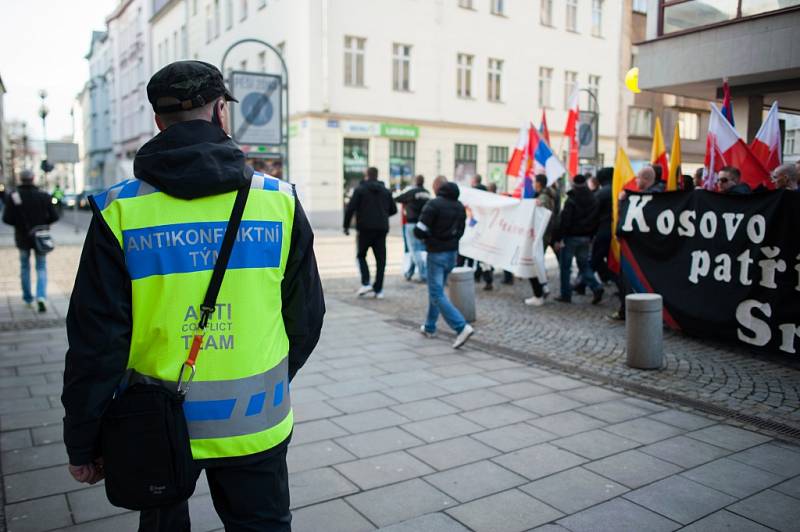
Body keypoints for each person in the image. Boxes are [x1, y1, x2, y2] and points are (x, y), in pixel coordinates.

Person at [61, 60, 325, 531]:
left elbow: (95, 341)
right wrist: (273, 377)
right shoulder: (278, 200)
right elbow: (305, 317)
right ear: (221, 111)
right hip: (255, 421)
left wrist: (83, 440)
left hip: (153, 422)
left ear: (158, 121)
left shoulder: (120, 210)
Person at [415, 176, 474, 349]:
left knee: (436, 293)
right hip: (451, 254)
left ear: (437, 188)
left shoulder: (433, 205)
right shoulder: (459, 207)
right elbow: (461, 231)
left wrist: (430, 238)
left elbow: (420, 230)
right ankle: (430, 326)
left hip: (436, 253)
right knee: (437, 291)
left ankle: (461, 327)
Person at [609, 165, 663, 320]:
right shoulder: (654, 194)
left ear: (646, 180)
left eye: (638, 178)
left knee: (631, 279)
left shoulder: (647, 199)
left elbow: (629, 220)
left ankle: (631, 312)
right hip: (641, 247)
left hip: (638, 248)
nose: (636, 181)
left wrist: (622, 203)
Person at [3, 169, 59, 312]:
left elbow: (6, 219)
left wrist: (20, 224)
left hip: (22, 237)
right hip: (41, 237)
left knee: (24, 267)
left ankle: (28, 298)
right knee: (41, 267)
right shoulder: (43, 195)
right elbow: (54, 216)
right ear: (33, 178)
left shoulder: (14, 196)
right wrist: (43, 224)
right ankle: (41, 296)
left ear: (21, 179)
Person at [344, 166, 397, 299]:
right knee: (381, 260)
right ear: (377, 175)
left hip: (365, 228)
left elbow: (350, 208)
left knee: (361, 255)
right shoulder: (385, 191)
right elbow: (394, 209)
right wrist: (383, 215)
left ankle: (366, 282)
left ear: (366, 175)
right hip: (381, 229)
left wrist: (346, 226)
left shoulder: (360, 190)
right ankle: (379, 289)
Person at [552, 174, 603, 304]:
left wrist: (559, 238)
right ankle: (596, 287)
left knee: (565, 267)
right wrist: (591, 235)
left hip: (571, 238)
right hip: (586, 237)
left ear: (574, 184)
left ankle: (566, 294)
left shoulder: (571, 199)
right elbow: (597, 220)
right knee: (584, 265)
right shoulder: (593, 198)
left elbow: (565, 221)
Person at [525, 174, 556, 306]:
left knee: (533, 263)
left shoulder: (543, 197)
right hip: (543, 235)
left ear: (538, 183)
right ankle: (543, 288)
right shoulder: (547, 194)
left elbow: (541, 208)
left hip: (540, 236)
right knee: (537, 262)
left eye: (534, 182)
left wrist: (536, 204)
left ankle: (538, 295)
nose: (532, 184)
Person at [394, 174, 431, 282]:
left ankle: (423, 274)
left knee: (414, 249)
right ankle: (409, 273)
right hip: (423, 224)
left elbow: (398, 198)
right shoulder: (427, 193)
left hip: (411, 223)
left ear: (415, 181)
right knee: (415, 249)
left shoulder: (412, 192)